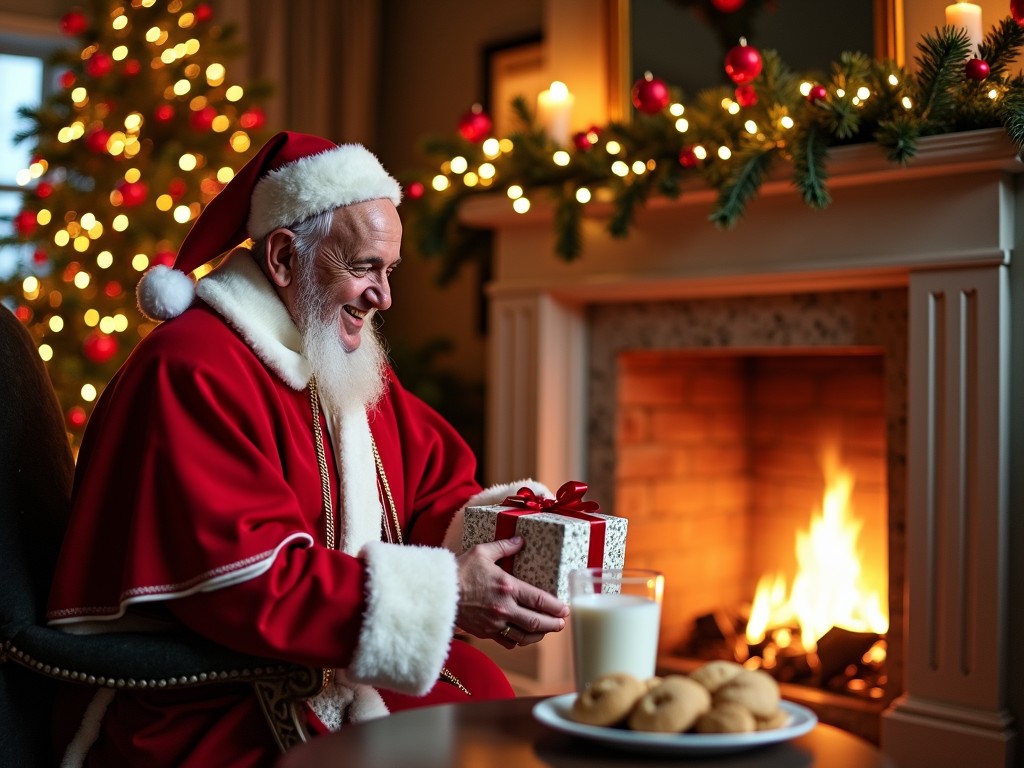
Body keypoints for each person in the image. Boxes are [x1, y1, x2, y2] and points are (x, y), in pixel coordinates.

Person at [46, 131, 569, 767]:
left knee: (487, 700)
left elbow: (431, 487)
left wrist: (517, 537)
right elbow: (245, 582)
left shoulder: (332, 347)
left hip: (322, 658)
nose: (385, 296)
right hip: (221, 693)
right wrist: (450, 594)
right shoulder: (192, 368)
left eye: (389, 269)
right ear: (286, 258)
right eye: (363, 268)